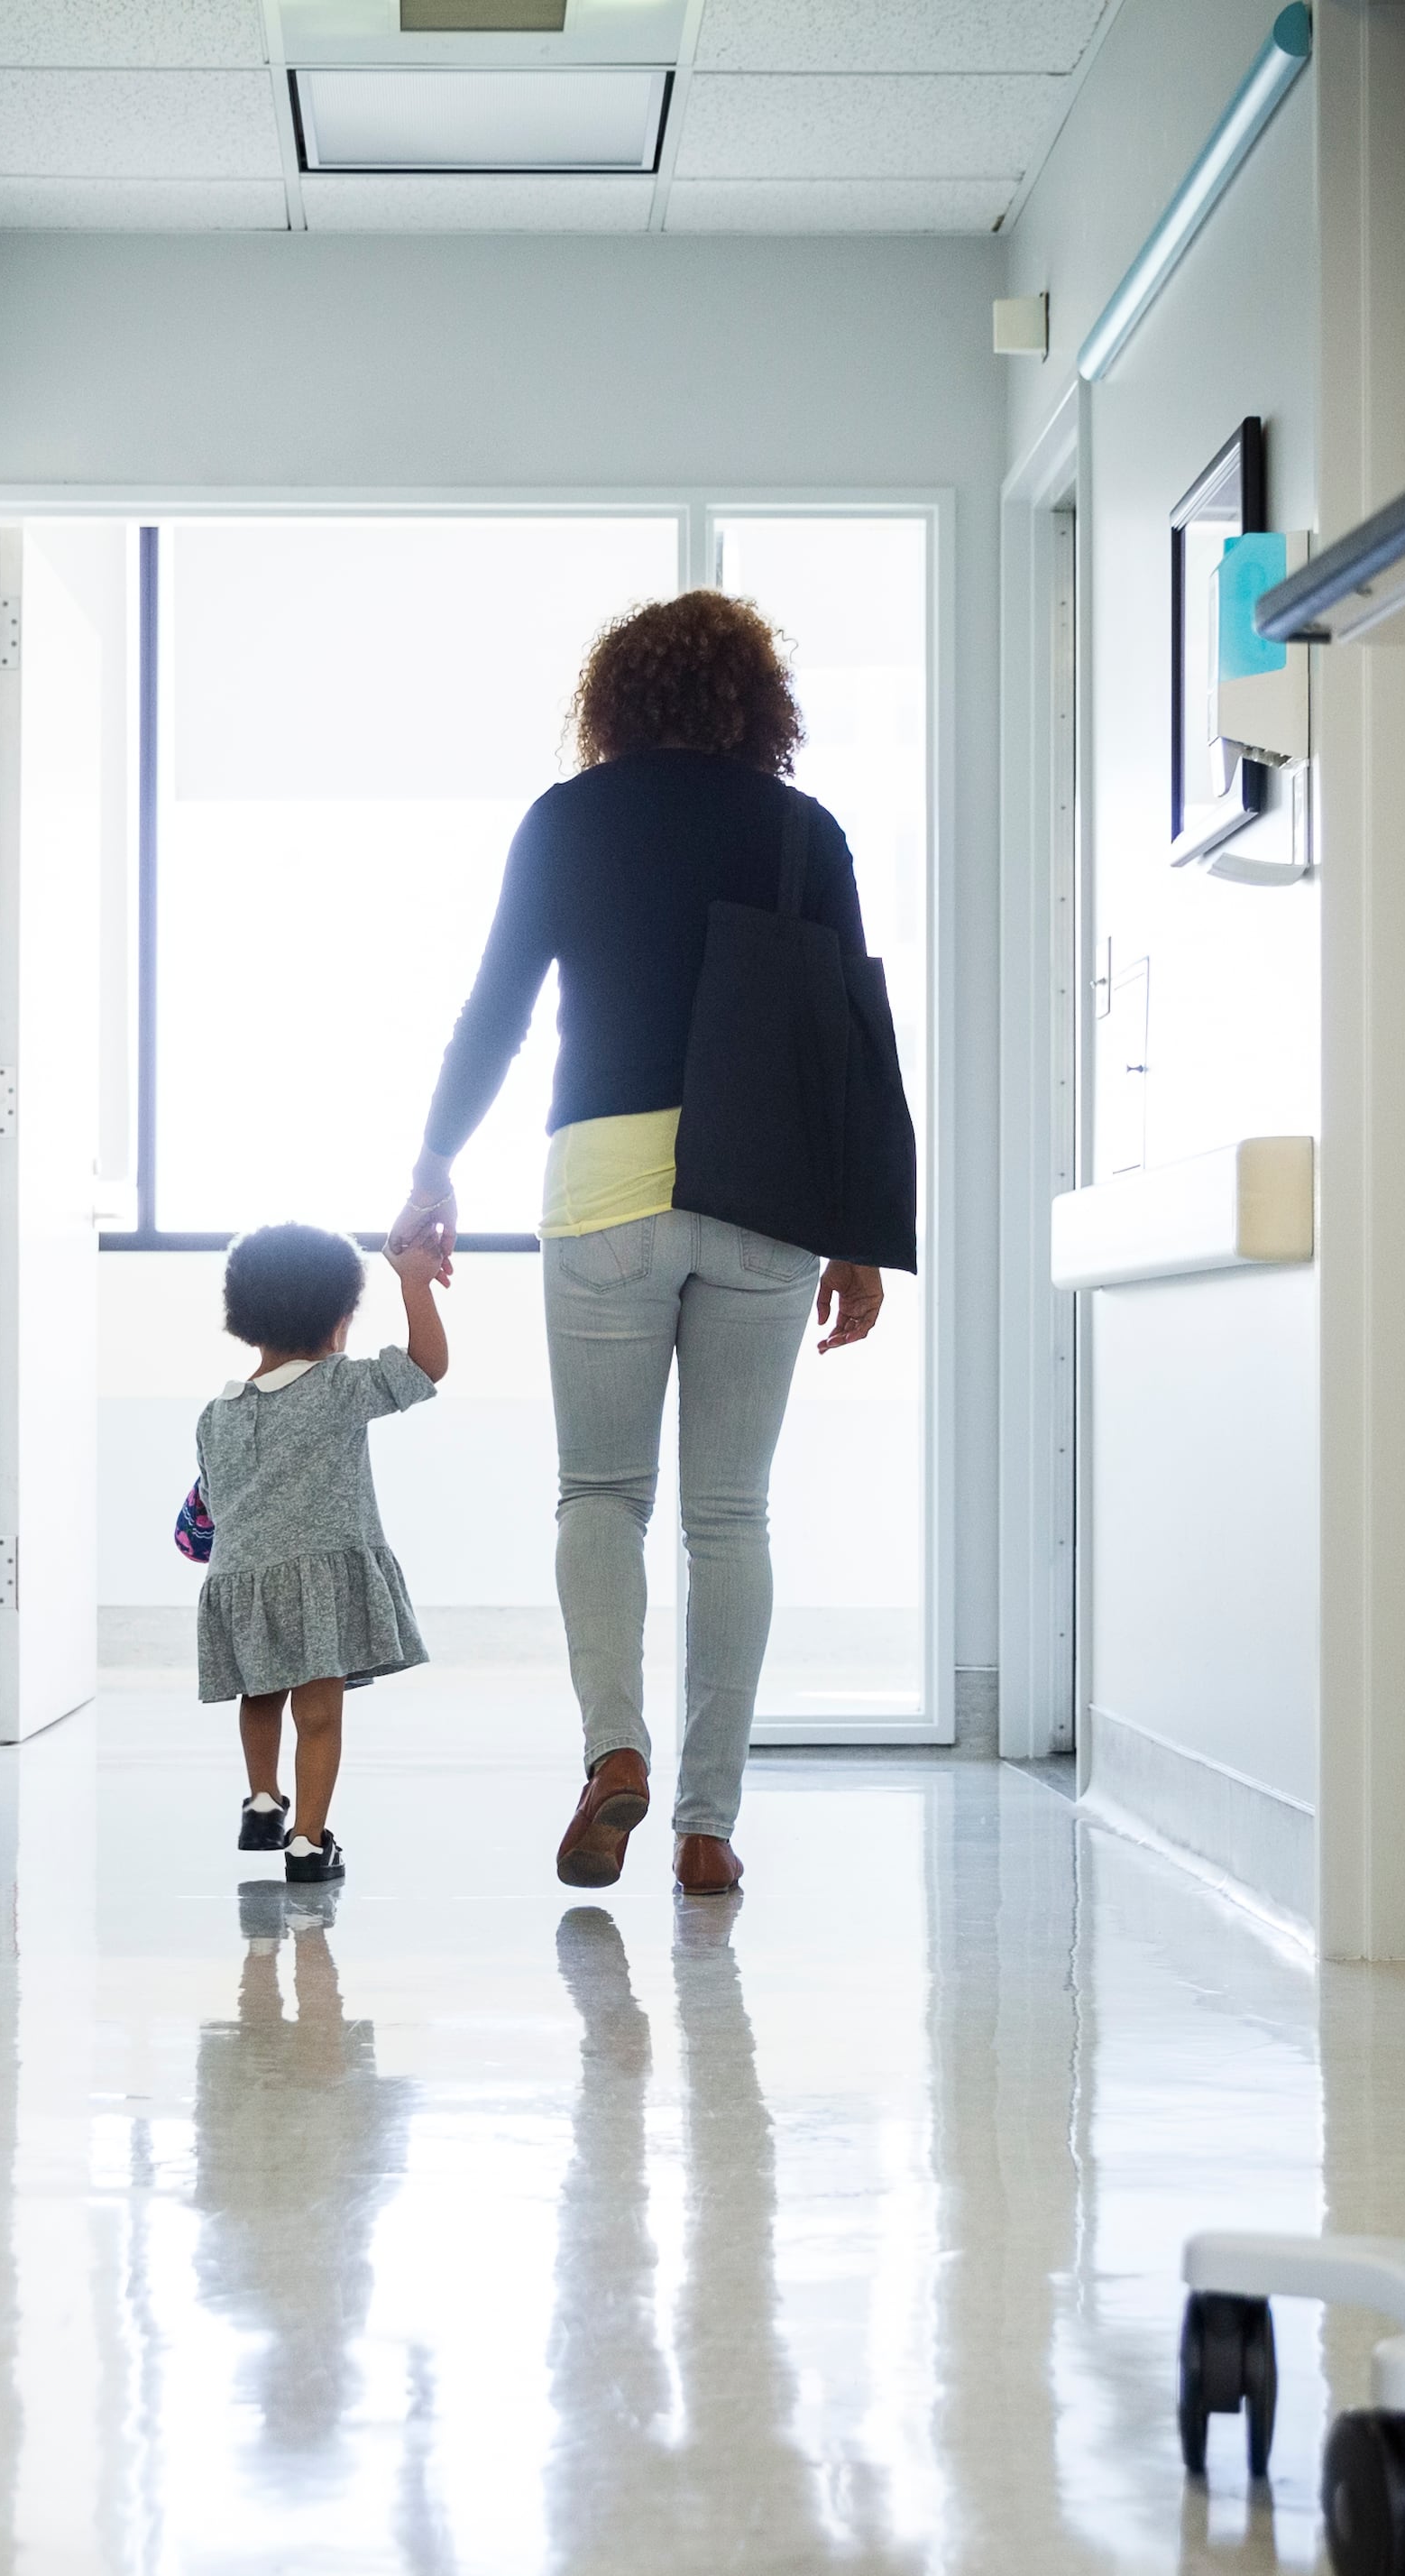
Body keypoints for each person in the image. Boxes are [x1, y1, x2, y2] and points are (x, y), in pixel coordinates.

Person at [391, 591, 889, 1900]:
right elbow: (844, 1038)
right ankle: (710, 1826)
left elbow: (497, 1005)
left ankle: (615, 1749)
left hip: (606, 1182)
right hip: (768, 1188)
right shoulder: (803, 832)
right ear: (756, 705)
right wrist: (858, 1234)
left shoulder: (568, 822)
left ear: (613, 700)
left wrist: (436, 1161)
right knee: (732, 1515)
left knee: (601, 1496)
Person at [193, 1220, 451, 1885]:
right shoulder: (338, 1386)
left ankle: (260, 1798)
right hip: (317, 1581)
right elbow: (427, 1365)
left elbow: (213, 1503)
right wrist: (413, 1282)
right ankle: (307, 1843)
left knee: (260, 1695)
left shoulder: (215, 1412)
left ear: (245, 1319)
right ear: (339, 1319)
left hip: (242, 1582)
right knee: (318, 1715)